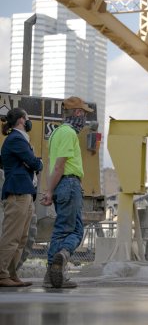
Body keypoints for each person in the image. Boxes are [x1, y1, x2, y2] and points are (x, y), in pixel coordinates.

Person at [41, 96, 93, 288]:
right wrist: (50, 189)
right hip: (70, 184)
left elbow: (51, 165)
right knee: (72, 231)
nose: (85, 119)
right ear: (78, 113)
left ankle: (51, 275)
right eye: (84, 114)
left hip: (62, 185)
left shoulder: (55, 134)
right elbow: (60, 165)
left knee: (65, 230)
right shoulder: (69, 134)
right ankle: (62, 256)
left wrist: (49, 190)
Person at [0, 108, 42, 287]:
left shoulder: (21, 139)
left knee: (22, 238)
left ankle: (11, 274)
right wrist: (35, 161)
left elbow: (30, 162)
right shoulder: (16, 139)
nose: (29, 121)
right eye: (28, 117)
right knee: (12, 236)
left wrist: (31, 161)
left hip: (25, 193)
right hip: (17, 193)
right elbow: (35, 163)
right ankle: (2, 275)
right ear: (21, 121)